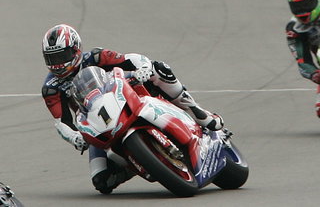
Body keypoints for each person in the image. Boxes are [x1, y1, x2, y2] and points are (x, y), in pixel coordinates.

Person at [40, 24, 221, 194]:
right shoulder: (51, 88)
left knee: (159, 69)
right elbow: (62, 122)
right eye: (52, 58)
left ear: (76, 49)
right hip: (98, 121)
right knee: (102, 181)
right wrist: (75, 138)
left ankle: (198, 112)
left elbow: (129, 59)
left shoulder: (95, 57)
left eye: (61, 56)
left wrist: (143, 68)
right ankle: (138, 162)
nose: (57, 64)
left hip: (125, 95)